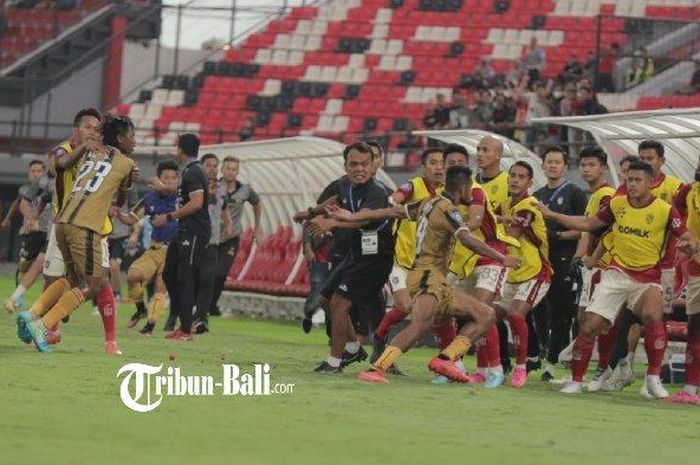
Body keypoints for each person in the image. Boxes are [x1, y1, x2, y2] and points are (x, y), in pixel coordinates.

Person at [338, 165, 519, 384]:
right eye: (470, 186)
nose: (471, 192)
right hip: (428, 278)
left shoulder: (427, 203)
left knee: (485, 315)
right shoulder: (447, 209)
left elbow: (394, 211)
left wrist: (353, 217)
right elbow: (466, 238)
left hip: (435, 280)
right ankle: (377, 369)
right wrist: (501, 258)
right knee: (419, 325)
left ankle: (446, 359)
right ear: (462, 186)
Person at [536, 160, 700, 397]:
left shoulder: (665, 210)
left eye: (637, 180)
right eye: (629, 180)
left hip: (647, 278)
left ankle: (653, 379)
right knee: (590, 325)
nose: (631, 184)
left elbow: (687, 237)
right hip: (616, 275)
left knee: (654, 314)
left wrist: (688, 246)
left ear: (651, 183)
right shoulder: (617, 205)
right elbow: (589, 224)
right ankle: (576, 380)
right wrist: (552, 214)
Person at [17, 114, 138, 353]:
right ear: (122, 138)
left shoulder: (90, 153)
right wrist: (130, 179)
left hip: (62, 222)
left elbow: (61, 166)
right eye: (132, 136)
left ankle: (32, 315)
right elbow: (119, 202)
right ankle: (43, 325)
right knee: (94, 284)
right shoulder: (126, 163)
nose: (135, 141)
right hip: (86, 226)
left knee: (71, 279)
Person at [306, 142, 395, 374]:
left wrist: (333, 222)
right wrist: (311, 214)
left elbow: (365, 218)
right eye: (354, 164)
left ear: (373, 164)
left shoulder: (377, 191)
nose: (360, 169)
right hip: (355, 255)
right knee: (325, 301)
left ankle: (334, 363)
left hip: (375, 259)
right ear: (345, 165)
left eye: (365, 164)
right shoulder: (345, 185)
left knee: (339, 303)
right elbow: (330, 200)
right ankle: (354, 348)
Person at [444, 145, 517, 388]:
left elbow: (474, 222)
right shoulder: (455, 191)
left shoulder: (475, 190)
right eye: (478, 149)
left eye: (485, 149)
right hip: (467, 261)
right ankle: (474, 367)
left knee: (483, 312)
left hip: (493, 257)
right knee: (459, 313)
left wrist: (452, 223)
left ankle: (495, 368)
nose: (480, 153)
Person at [372, 148, 446, 363]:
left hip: (425, 266)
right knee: (405, 306)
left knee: (425, 314)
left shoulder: (447, 194)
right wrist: (394, 202)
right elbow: (395, 197)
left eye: (442, 163)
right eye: (433, 162)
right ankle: (378, 339)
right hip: (399, 261)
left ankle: (387, 356)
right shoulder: (414, 185)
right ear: (424, 168)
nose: (439, 167)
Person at [492, 161, 552, 388]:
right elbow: (490, 222)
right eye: (513, 175)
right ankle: (491, 367)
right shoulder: (506, 203)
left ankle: (521, 368)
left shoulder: (529, 205)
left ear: (530, 182)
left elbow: (511, 234)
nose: (515, 180)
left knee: (516, 315)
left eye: (521, 176)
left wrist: (492, 225)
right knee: (486, 316)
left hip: (536, 273)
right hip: (513, 274)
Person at [532, 147, 587, 381]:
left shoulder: (575, 193)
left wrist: (559, 236)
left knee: (561, 313)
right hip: (539, 260)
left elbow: (585, 228)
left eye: (557, 162)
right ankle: (541, 351)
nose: (553, 166)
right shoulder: (536, 196)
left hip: (565, 259)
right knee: (537, 309)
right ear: (543, 166)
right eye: (549, 162)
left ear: (566, 166)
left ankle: (552, 363)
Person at [564, 148, 616, 388]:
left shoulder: (606, 195)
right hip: (591, 265)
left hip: (603, 266)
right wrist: (578, 259)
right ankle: (585, 371)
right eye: (583, 164)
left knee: (596, 320)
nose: (586, 169)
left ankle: (603, 370)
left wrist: (589, 259)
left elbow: (602, 231)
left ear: (603, 168)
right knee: (584, 316)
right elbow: (586, 231)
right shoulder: (595, 195)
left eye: (591, 164)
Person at [157, 133, 210, 340]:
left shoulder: (194, 172)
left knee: (185, 277)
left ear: (180, 149)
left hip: (195, 231)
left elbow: (196, 203)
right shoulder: (189, 171)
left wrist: (169, 216)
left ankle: (187, 329)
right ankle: (183, 320)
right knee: (169, 273)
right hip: (184, 230)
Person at [117, 160, 179, 335]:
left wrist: (161, 186)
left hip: (173, 250)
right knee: (132, 275)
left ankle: (150, 326)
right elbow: (132, 218)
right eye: (165, 178)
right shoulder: (149, 198)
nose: (170, 181)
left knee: (161, 287)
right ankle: (141, 309)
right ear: (159, 178)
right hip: (154, 249)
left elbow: (169, 190)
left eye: (173, 178)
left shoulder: (180, 195)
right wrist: (116, 213)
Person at [208, 155, 262, 318]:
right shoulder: (213, 187)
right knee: (208, 272)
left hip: (231, 238)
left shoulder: (245, 190)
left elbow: (257, 203)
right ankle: (205, 304)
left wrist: (257, 229)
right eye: (228, 168)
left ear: (237, 172)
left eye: (234, 169)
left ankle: (212, 305)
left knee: (221, 272)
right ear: (222, 169)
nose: (230, 172)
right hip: (212, 236)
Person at [668, 158, 700, 404]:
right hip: (697, 270)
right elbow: (674, 209)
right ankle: (689, 390)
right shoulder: (689, 190)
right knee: (695, 327)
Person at [4, 160, 52, 313]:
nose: (36, 174)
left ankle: (41, 302)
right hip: (32, 231)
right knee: (25, 264)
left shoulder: (50, 185)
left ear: (44, 172)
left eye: (39, 171)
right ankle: (20, 295)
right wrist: (8, 219)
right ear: (29, 172)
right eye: (34, 171)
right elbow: (19, 204)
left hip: (48, 230)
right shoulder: (26, 189)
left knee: (44, 265)